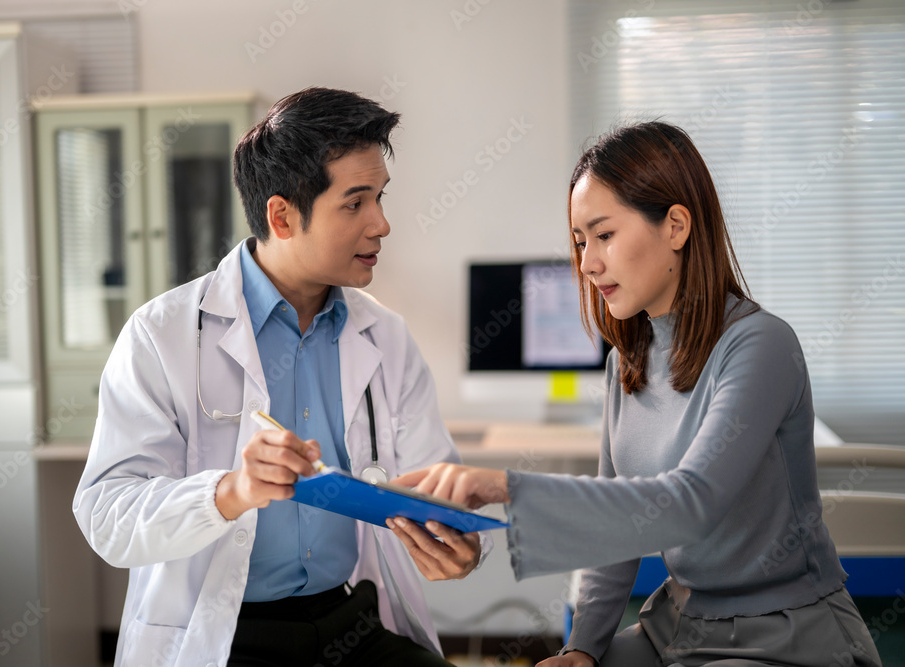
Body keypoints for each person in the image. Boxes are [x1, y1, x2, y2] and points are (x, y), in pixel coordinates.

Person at [395, 121, 882, 666]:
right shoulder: (626, 364)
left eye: (604, 236)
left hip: (783, 635)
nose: (587, 263)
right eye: (581, 242)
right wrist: (582, 647)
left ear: (675, 225)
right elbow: (615, 535)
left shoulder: (760, 345)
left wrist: (503, 485)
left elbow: (690, 503)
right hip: (679, 625)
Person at [73, 87, 489, 667]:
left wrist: (461, 544)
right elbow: (108, 516)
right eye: (356, 203)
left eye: (381, 199)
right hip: (223, 636)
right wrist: (230, 493)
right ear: (282, 215)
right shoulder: (162, 335)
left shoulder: (385, 337)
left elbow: (439, 483)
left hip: (350, 622)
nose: (383, 224)